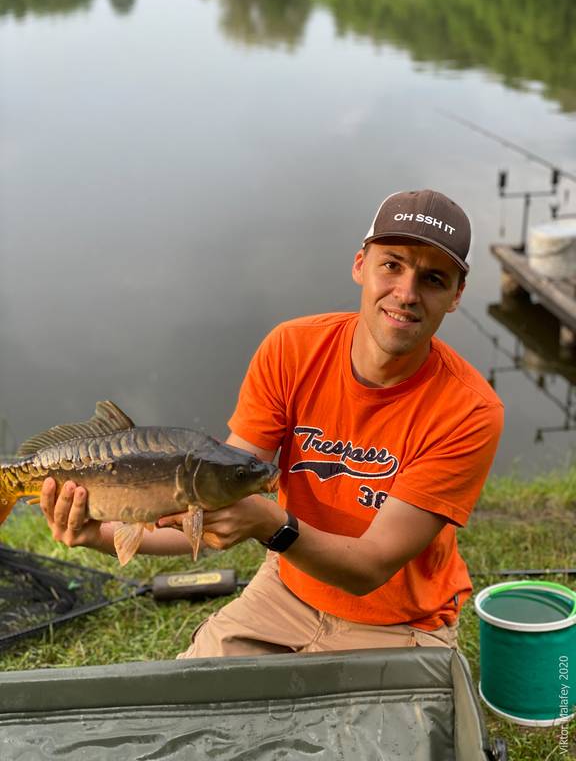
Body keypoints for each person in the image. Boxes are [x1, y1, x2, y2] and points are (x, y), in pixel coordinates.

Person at [40, 189, 504, 657]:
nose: (406, 293)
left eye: (433, 279)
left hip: (402, 622)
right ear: (360, 264)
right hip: (286, 592)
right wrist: (93, 534)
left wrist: (272, 525)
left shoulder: (469, 410)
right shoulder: (292, 349)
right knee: (190, 707)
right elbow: (208, 507)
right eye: (392, 265)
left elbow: (371, 567)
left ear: (456, 295)